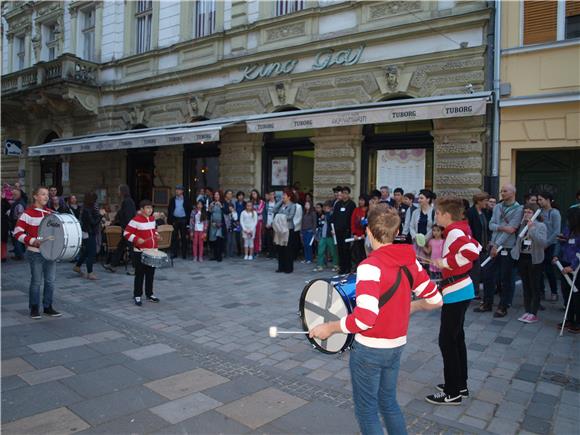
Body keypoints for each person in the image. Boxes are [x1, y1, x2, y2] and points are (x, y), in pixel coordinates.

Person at [309, 204, 442, 434]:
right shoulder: (410, 260)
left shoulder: (370, 266)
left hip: (369, 349)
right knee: (388, 403)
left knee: (367, 410)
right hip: (396, 345)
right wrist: (413, 306)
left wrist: (330, 328)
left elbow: (365, 319)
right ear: (396, 230)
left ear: (369, 232)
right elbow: (436, 299)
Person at [425, 196, 481, 406]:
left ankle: (452, 392)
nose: (436, 215)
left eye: (438, 213)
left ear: (447, 215)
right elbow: (477, 244)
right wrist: (447, 262)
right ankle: (460, 385)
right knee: (456, 339)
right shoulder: (459, 229)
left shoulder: (455, 231)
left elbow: (473, 251)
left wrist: (445, 262)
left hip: (457, 290)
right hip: (460, 288)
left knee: (447, 341)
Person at [13, 186, 62, 318]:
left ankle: (48, 306)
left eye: (47, 195)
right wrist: (33, 240)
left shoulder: (51, 214)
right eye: (43, 194)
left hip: (50, 253)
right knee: (36, 282)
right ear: (35, 196)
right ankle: (34, 308)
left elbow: (56, 232)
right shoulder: (27, 214)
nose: (46, 197)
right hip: (35, 253)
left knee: (50, 281)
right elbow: (17, 233)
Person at [475, 184, 523, 317]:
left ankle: (503, 306)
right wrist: (503, 228)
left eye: (505, 191)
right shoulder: (497, 207)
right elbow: (491, 225)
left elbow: (512, 230)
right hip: (493, 246)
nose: (502, 193)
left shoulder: (519, 209)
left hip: (506, 247)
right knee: (488, 274)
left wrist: (497, 242)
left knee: (506, 278)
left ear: (513, 192)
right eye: (501, 190)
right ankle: (487, 303)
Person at [511, 203, 547, 324]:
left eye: (529, 212)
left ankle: (533, 313)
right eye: (525, 212)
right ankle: (527, 310)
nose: (526, 214)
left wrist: (531, 229)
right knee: (525, 286)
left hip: (534, 259)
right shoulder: (522, 225)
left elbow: (542, 242)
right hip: (522, 258)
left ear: (535, 214)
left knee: (534, 286)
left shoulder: (540, 226)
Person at [124, 199, 161, 306]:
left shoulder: (152, 219)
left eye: (151, 208)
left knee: (150, 274)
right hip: (140, 252)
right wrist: (136, 239)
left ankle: (149, 294)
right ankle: (137, 295)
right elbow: (126, 233)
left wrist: (157, 235)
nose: (150, 210)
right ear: (142, 209)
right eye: (147, 208)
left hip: (152, 251)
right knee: (139, 274)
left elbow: (153, 230)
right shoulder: (135, 220)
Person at [553, 206, 580, 333]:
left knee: (576, 294)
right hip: (564, 262)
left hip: (576, 266)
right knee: (565, 291)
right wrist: (557, 255)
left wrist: (572, 266)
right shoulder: (568, 229)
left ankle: (577, 321)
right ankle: (569, 318)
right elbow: (565, 243)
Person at [104, 185, 137, 273]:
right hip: (127, 228)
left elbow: (128, 216)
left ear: (123, 191)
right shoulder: (126, 201)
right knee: (120, 247)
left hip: (128, 229)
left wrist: (126, 228)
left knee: (131, 248)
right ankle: (113, 265)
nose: (118, 192)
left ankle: (136, 269)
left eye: (119, 190)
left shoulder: (127, 202)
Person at [73, 192, 104, 280]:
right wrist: (101, 216)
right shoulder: (87, 209)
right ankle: (90, 272)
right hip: (89, 232)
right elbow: (93, 222)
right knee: (91, 252)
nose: (95, 201)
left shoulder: (86, 208)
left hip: (87, 232)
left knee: (87, 251)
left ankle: (77, 266)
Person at [538, 192, 561, 302]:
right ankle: (541, 291)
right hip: (540, 245)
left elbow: (556, 231)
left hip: (550, 245)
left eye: (541, 199)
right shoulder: (539, 212)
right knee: (539, 269)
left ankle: (554, 292)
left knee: (549, 270)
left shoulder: (555, 213)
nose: (539, 202)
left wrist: (546, 244)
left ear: (548, 200)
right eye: (538, 200)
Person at [466, 192, 490, 298]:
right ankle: (473, 292)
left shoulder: (485, 212)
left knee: (483, 270)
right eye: (485, 201)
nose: (487, 203)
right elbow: (468, 230)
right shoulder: (470, 212)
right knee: (474, 271)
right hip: (474, 245)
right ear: (478, 201)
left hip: (484, 246)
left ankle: (478, 291)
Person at [331, 186, 356, 274]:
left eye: (346, 193)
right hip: (338, 230)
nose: (344, 195)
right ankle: (342, 267)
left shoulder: (352, 204)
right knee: (340, 249)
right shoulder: (338, 204)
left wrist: (351, 229)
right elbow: (334, 217)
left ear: (348, 194)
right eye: (343, 193)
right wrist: (333, 228)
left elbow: (352, 218)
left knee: (346, 249)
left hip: (347, 230)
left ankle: (348, 268)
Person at [273, 190, 296, 273]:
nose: (283, 197)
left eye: (285, 195)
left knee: (288, 249)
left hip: (288, 229)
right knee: (280, 248)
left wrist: (280, 216)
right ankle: (281, 267)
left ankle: (288, 268)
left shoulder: (292, 205)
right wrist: (280, 202)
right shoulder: (281, 205)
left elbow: (290, 216)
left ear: (289, 197)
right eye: (283, 195)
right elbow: (274, 209)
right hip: (280, 229)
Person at [409, 189, 435, 258]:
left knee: (428, 264)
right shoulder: (415, 212)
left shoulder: (434, 212)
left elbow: (434, 228)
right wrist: (416, 237)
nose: (419, 200)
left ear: (428, 199)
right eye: (419, 198)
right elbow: (411, 226)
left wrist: (424, 239)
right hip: (416, 243)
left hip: (429, 243)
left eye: (421, 198)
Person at [168, 185, 192, 260]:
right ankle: (174, 253)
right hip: (175, 219)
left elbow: (189, 209)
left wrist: (188, 219)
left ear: (182, 191)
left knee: (183, 237)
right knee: (174, 237)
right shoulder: (172, 199)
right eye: (176, 190)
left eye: (178, 190)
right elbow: (169, 209)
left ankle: (184, 254)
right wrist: (170, 220)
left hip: (183, 219)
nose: (177, 191)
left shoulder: (186, 199)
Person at [314, 200, 338, 272]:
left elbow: (332, 222)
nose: (325, 209)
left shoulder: (332, 215)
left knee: (333, 251)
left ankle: (336, 265)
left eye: (327, 208)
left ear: (331, 208)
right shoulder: (323, 215)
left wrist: (326, 216)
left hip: (330, 235)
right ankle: (320, 265)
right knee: (320, 250)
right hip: (323, 235)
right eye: (325, 207)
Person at [208, 191, 227, 262]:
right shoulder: (212, 203)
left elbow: (226, 212)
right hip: (213, 224)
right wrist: (210, 207)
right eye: (215, 195)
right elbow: (209, 213)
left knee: (219, 240)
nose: (216, 196)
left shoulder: (223, 203)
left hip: (221, 224)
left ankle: (219, 256)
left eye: (217, 195)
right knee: (214, 241)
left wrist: (221, 206)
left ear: (220, 196)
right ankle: (215, 256)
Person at [9, 187, 27, 260]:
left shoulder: (19, 204)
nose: (13, 196)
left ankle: (19, 255)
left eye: (14, 195)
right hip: (18, 224)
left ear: (18, 195)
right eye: (13, 194)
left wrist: (17, 226)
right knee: (18, 240)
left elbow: (20, 215)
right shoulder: (19, 202)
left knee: (17, 240)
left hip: (18, 224)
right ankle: (19, 253)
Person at [351, 194, 369, 267]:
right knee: (357, 252)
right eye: (359, 200)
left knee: (365, 253)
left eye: (362, 200)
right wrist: (354, 233)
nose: (360, 202)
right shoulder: (356, 210)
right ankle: (357, 266)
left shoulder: (369, 210)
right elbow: (352, 222)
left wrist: (365, 234)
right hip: (357, 235)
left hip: (366, 235)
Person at [250, 190, 265, 256]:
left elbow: (260, 211)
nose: (254, 195)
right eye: (252, 194)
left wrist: (253, 211)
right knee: (252, 235)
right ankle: (251, 250)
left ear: (257, 194)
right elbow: (248, 210)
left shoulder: (261, 202)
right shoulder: (251, 202)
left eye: (255, 193)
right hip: (251, 221)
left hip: (259, 221)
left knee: (258, 236)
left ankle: (257, 250)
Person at [264, 191, 277, 259]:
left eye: (272, 194)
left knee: (274, 239)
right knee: (268, 239)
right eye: (270, 195)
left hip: (274, 224)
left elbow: (277, 214)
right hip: (267, 224)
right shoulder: (266, 203)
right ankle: (270, 253)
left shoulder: (277, 203)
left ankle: (275, 253)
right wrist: (266, 223)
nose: (271, 196)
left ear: (274, 195)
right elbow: (264, 214)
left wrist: (273, 223)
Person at [291, 196, 303, 261]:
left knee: (295, 242)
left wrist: (294, 224)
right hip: (288, 227)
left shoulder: (298, 206)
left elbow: (300, 217)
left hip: (296, 227)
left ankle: (295, 255)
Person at [235, 191, 246, 256]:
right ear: (237, 197)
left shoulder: (245, 203)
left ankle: (244, 251)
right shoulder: (235, 203)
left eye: (242, 195)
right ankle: (239, 251)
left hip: (244, 222)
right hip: (237, 222)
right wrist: (236, 220)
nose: (240, 197)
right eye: (239, 195)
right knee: (237, 237)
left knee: (244, 237)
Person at [1, 195, 10, 262]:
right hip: (4, 222)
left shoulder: (4, 202)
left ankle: (3, 256)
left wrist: (4, 199)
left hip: (3, 223)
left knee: (3, 240)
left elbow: (9, 208)